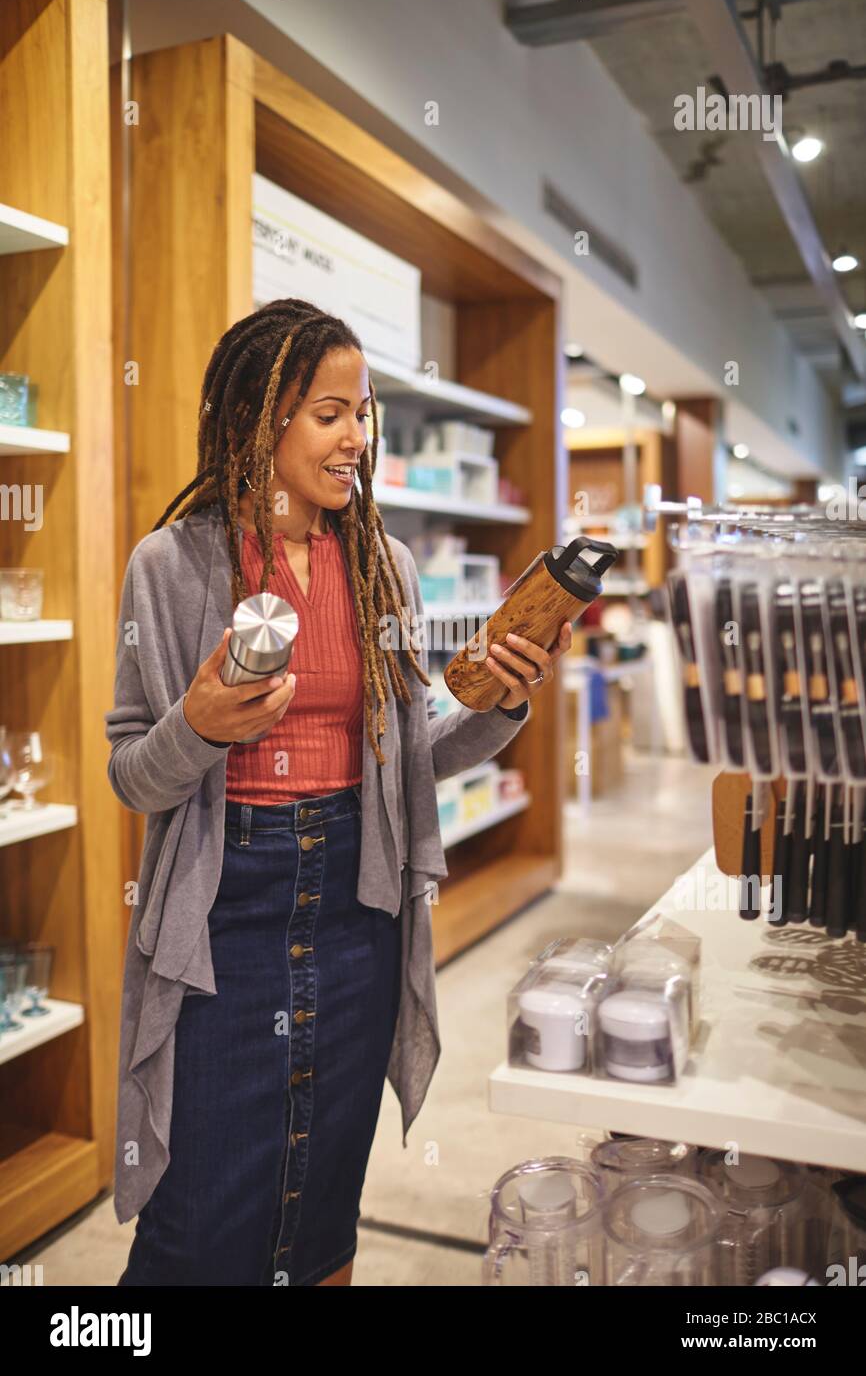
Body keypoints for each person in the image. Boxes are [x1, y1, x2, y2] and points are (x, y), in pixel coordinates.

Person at [107, 297, 571, 1286]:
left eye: (362, 413)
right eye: (330, 413)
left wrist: (498, 700)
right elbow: (130, 771)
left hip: (359, 904)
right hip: (225, 915)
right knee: (199, 1220)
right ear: (256, 420)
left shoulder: (382, 567)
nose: (357, 436)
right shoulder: (174, 564)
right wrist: (198, 726)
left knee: (319, 1208)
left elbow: (411, 758)